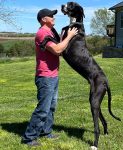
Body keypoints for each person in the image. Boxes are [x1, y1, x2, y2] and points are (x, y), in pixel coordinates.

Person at [21, 8, 78, 146]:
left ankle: (46, 131)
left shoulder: (50, 32)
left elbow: (59, 47)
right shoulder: (42, 33)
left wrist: (71, 26)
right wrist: (69, 36)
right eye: (50, 16)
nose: (53, 17)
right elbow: (58, 49)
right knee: (43, 109)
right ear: (43, 19)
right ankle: (29, 137)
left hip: (53, 75)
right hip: (45, 77)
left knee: (51, 107)